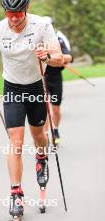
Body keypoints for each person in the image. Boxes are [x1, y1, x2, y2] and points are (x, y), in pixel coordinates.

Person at [0, 0, 64, 218]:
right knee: (16, 141)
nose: (14, 17)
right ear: (3, 10)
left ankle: (41, 157)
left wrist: (47, 56)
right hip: (12, 88)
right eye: (9, 12)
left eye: (18, 12)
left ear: (27, 8)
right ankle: (16, 193)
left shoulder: (41, 26)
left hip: (36, 87)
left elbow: (59, 59)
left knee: (38, 135)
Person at [43, 16, 73, 145]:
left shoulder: (59, 39)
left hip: (55, 77)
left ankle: (55, 129)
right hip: (40, 78)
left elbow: (70, 57)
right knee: (43, 109)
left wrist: (59, 58)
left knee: (55, 109)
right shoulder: (36, 39)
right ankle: (45, 136)